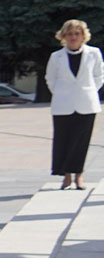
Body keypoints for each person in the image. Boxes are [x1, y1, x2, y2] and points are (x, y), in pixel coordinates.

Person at [48, 19, 102, 190]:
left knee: (81, 142)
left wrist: (87, 91)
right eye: (70, 34)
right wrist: (62, 93)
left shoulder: (94, 53)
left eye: (77, 34)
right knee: (63, 140)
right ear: (64, 36)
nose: (73, 37)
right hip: (63, 105)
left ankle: (79, 175)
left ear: (83, 36)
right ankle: (66, 176)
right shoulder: (56, 57)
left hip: (86, 104)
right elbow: (50, 79)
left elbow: (99, 76)